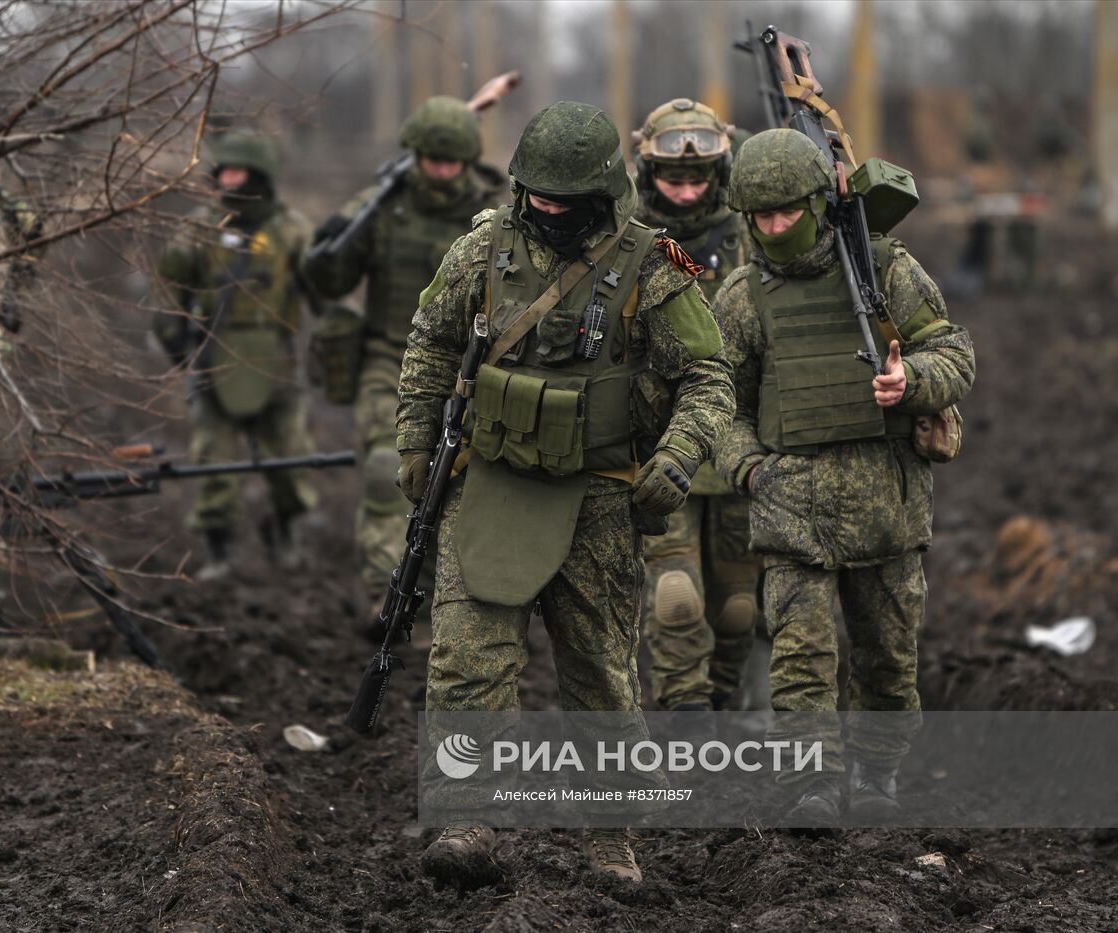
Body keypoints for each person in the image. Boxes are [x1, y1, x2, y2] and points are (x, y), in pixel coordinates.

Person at [397, 101, 733, 884]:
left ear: (602, 191)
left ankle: (609, 841)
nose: (546, 207)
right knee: (465, 661)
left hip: (599, 499)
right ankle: (467, 823)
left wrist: (680, 456)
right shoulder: (484, 247)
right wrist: (416, 444)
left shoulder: (653, 264)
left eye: (563, 196)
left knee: (601, 679)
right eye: (536, 192)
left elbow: (708, 376)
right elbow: (430, 341)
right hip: (491, 486)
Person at [713, 129, 975, 823]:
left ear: (815, 203)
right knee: (800, 659)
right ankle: (814, 784)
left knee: (888, 658)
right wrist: (746, 466)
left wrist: (910, 378)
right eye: (760, 216)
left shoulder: (885, 270)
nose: (774, 228)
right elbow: (716, 401)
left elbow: (954, 352)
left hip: (885, 500)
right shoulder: (742, 298)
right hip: (788, 502)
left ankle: (877, 773)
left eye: (787, 213)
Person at [302, 97, 505, 627]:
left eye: (451, 162)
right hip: (388, 358)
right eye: (431, 161)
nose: (440, 172)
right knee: (384, 470)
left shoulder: (492, 215)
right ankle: (386, 594)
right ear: (415, 157)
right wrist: (330, 243)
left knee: (462, 482)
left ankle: (450, 596)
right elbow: (327, 281)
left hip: (473, 367)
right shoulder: (383, 207)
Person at [633, 99, 760, 715]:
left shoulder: (756, 231)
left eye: (697, 178)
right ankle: (686, 710)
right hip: (661, 440)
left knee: (738, 603)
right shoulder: (625, 237)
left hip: (741, 437)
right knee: (675, 594)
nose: (684, 191)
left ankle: (728, 700)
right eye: (671, 178)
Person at [154, 132, 320, 580]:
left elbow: (323, 288)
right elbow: (169, 286)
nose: (226, 179)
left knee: (292, 458)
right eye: (222, 171)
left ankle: (286, 527)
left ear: (259, 175)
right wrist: (175, 340)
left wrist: (329, 343)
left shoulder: (291, 231)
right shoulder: (199, 229)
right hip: (215, 356)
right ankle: (220, 549)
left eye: (237, 171)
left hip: (277, 359)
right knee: (214, 460)